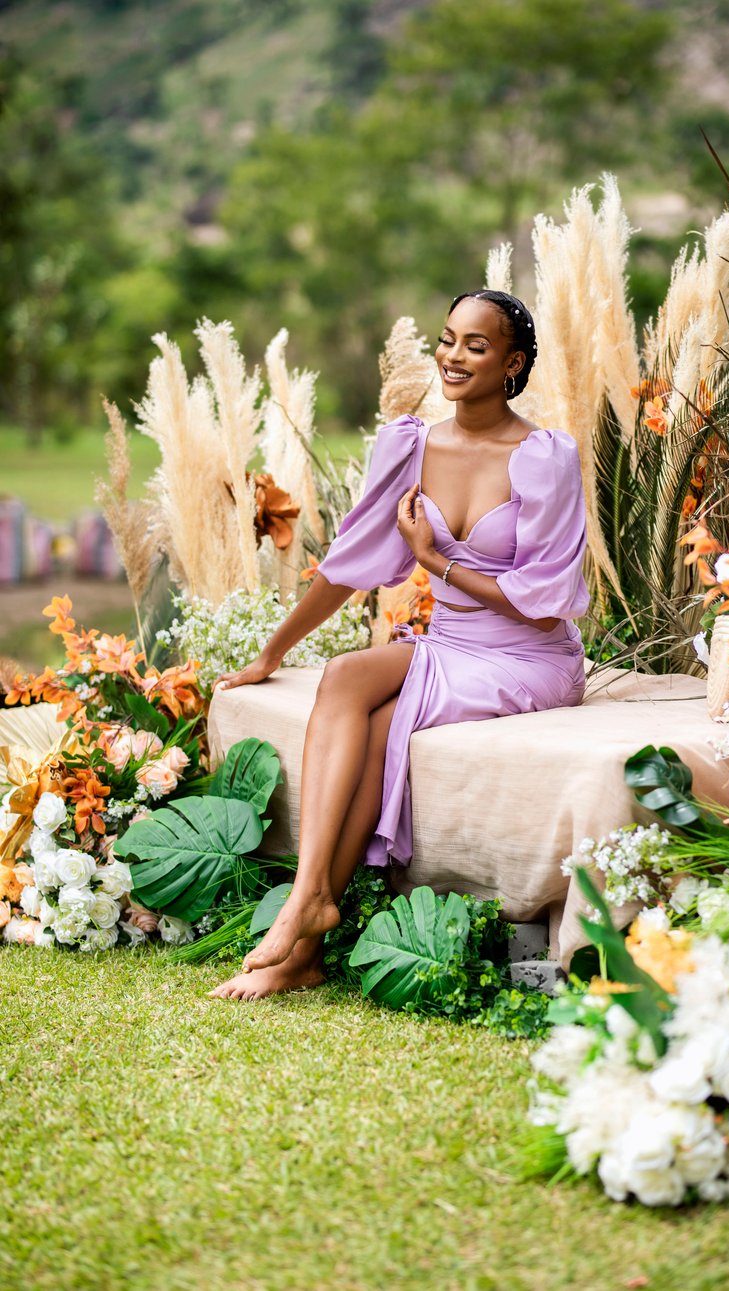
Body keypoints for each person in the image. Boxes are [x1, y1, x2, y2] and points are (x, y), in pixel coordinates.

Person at [208, 289, 589, 1001]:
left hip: (529, 659)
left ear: (511, 363)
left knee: (350, 678)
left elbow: (544, 610)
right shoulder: (411, 445)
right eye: (447, 339)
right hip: (449, 645)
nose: (452, 356)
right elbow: (346, 567)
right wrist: (270, 653)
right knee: (372, 722)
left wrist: (436, 560)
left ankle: (306, 904)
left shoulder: (542, 456)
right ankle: (307, 937)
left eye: (475, 346)